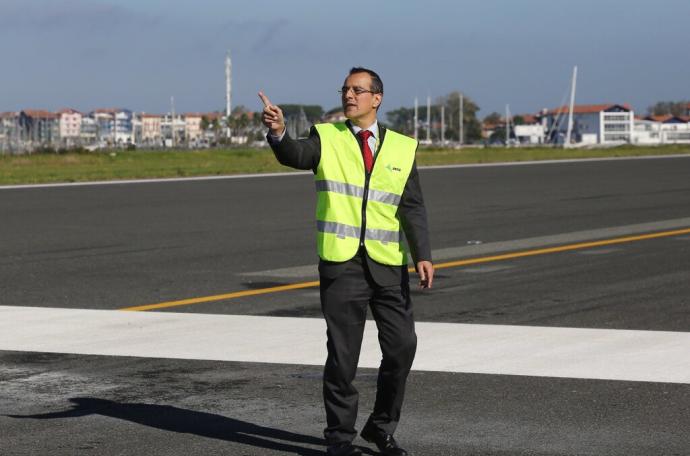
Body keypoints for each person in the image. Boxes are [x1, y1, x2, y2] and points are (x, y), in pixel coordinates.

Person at [259, 67, 433, 456]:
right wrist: (278, 132)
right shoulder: (326, 137)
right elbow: (294, 154)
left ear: (377, 98)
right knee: (342, 358)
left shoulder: (403, 148)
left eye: (358, 90)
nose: (349, 96)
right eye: (345, 89)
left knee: (403, 347)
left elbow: (413, 205)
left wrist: (422, 254)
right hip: (342, 264)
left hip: (388, 265)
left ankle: (380, 426)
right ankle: (339, 440)